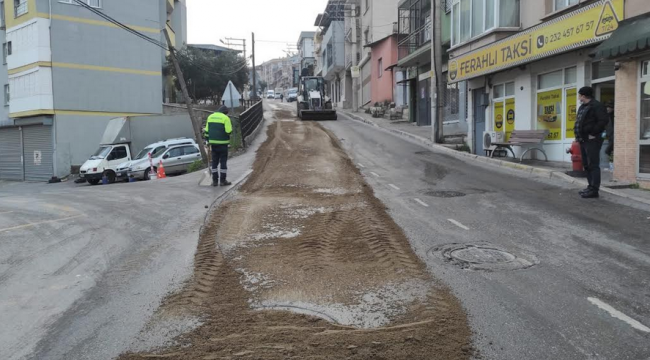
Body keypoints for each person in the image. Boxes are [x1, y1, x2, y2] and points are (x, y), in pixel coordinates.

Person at [575, 87, 609, 199]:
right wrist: (578, 136)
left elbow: (603, 121)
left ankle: (594, 190)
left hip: (592, 140)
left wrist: (593, 133)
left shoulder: (597, 106)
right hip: (583, 139)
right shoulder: (583, 107)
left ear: (583, 96)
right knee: (586, 165)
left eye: (579, 95)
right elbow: (579, 122)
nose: (578, 97)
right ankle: (590, 187)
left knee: (593, 165)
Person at [204, 105, 233, 187]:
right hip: (223, 144)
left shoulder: (210, 117)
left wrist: (207, 140)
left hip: (213, 144)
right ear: (225, 113)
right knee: (223, 162)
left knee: (214, 163)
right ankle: (223, 181)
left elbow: (206, 131)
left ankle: (215, 181)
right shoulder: (225, 118)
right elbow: (229, 131)